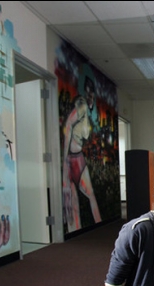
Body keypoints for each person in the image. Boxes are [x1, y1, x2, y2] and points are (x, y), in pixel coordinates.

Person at [62, 77, 102, 232]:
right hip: (71, 159)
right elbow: (68, 124)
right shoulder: (82, 106)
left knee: (88, 195)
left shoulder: (87, 113)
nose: (90, 97)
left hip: (77, 158)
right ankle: (78, 232)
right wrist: (65, 158)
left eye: (92, 94)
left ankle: (98, 227)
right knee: (75, 202)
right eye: (89, 93)